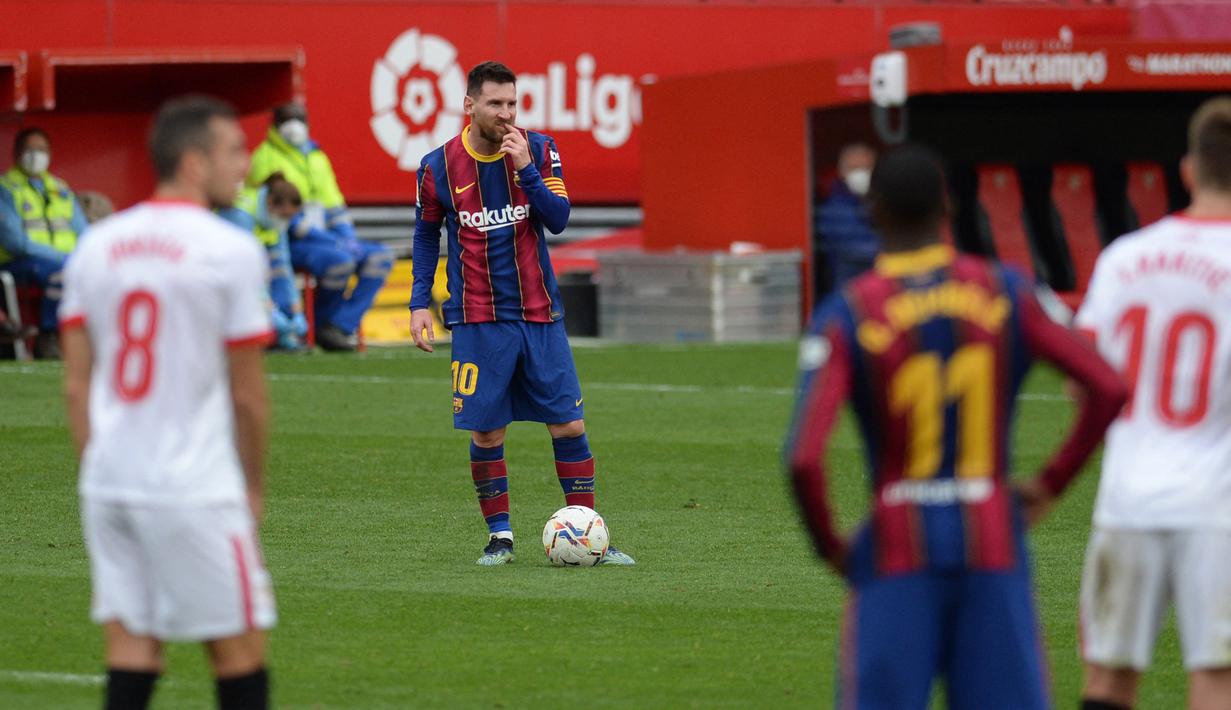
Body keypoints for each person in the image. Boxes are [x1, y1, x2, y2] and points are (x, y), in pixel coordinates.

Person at [784, 144, 1127, 709]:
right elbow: (1108, 387)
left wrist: (834, 550)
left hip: (897, 546)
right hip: (991, 538)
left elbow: (802, 456)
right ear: (948, 205)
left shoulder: (850, 310)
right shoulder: (1007, 291)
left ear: (874, 211)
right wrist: (1049, 483)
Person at [60, 96, 275, 710]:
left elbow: (77, 385)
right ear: (191, 161)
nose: (246, 163)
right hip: (192, 485)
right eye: (234, 149)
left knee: (132, 651)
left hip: (110, 482)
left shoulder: (98, 246)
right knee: (238, 658)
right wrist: (253, 487)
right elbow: (248, 394)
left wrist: (98, 470)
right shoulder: (227, 250)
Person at [410, 61, 634, 566]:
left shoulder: (540, 149)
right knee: (487, 432)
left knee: (570, 426)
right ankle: (500, 537)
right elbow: (426, 236)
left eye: (513, 103)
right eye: (496, 104)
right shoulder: (436, 166)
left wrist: (525, 171)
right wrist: (419, 302)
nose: (507, 114)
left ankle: (588, 531)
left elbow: (557, 219)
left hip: (540, 314)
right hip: (476, 318)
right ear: (470, 106)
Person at [1073, 97, 1231, 710]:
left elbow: (1083, 381)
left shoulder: (1124, 258)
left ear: (1188, 170)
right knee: (1216, 679)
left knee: (1109, 681)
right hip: (1217, 504)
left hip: (1127, 498)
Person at [246, 102, 390, 350]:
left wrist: (348, 237)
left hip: (328, 238)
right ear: (275, 125)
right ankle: (319, 325)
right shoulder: (264, 157)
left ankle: (339, 325)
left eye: (300, 118)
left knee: (380, 257)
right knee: (340, 260)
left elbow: (334, 205)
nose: (295, 126)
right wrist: (333, 241)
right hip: (292, 240)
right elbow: (280, 215)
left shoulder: (316, 157)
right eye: (288, 119)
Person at [0, 127, 90, 358]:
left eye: (41, 149)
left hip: (62, 261)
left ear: (50, 153)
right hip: (18, 263)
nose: (36, 155)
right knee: (61, 272)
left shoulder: (60, 189)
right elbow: (16, 243)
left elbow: (84, 233)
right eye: (29, 149)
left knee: (91, 272)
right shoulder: (6, 188)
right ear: (16, 153)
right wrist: (62, 257)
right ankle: (49, 337)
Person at [224, 175, 310, 351]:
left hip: (247, 271)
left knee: (275, 273)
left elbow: (282, 266)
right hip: (224, 270)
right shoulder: (240, 215)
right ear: (270, 202)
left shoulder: (274, 219)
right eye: (284, 215)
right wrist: (269, 311)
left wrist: (296, 310)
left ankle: (282, 333)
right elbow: (246, 271)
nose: (285, 222)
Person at [814, 143, 880, 297]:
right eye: (854, 168)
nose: (861, 174)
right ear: (842, 171)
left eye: (866, 168)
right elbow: (855, 249)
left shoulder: (884, 202)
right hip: (849, 293)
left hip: (884, 294)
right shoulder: (833, 207)